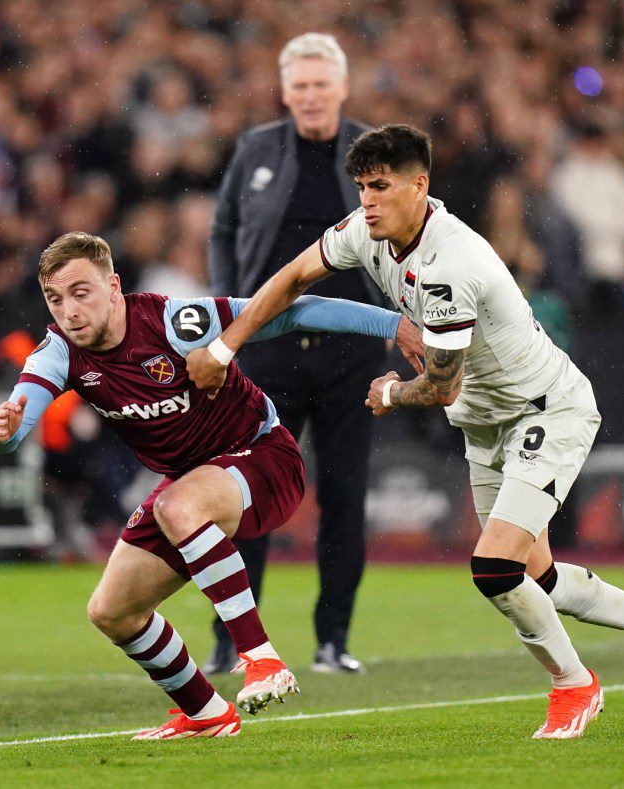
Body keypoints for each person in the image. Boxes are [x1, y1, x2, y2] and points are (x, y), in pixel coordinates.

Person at [186, 125, 624, 740]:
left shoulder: (449, 264)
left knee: (495, 567)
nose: (367, 200)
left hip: (545, 409)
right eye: (362, 187)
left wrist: (391, 392)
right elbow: (292, 277)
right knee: (533, 576)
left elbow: (440, 386)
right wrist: (224, 346)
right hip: (484, 422)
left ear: (420, 187)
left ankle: (573, 684)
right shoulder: (363, 232)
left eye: (381, 187)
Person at [0, 231, 421, 740]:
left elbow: (293, 308)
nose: (69, 311)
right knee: (112, 611)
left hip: (264, 458)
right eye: (55, 299)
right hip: (190, 485)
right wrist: (4, 433)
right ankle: (206, 713)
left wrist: (393, 323)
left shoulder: (176, 322)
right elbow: (21, 413)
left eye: (81, 293)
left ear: (113, 287)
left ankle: (261, 659)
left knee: (176, 506)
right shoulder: (59, 351)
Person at [206, 31, 385, 675]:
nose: (310, 96)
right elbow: (223, 231)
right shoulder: (255, 148)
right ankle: (235, 641)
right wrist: (231, 310)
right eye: (300, 86)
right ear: (284, 91)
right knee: (247, 497)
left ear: (342, 87)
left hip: (352, 352)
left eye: (320, 84)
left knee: (344, 497)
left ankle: (333, 641)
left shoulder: (372, 151)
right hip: (268, 349)